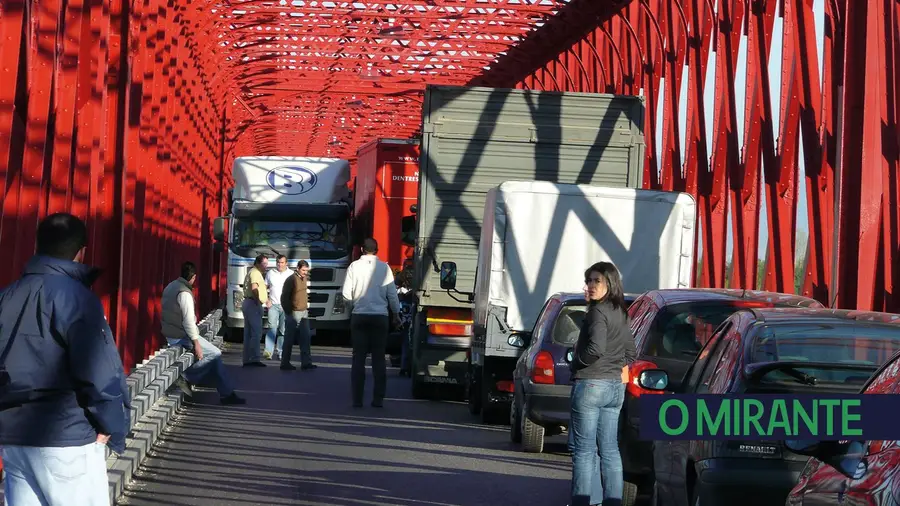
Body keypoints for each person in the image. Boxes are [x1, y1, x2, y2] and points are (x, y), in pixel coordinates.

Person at [0, 213, 131, 505]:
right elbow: (99, 371)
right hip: (66, 435)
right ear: (81, 250)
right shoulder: (78, 299)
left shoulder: (6, 296)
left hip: (13, 436)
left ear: (37, 245)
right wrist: (112, 426)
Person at [568, 261, 636, 506]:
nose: (591, 286)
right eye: (589, 281)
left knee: (584, 452)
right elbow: (631, 352)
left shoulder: (597, 312)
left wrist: (577, 363)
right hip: (615, 387)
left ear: (610, 283)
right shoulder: (621, 311)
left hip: (591, 384)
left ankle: (581, 502)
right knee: (610, 450)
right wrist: (615, 367)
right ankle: (612, 502)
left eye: (597, 281)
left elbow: (595, 348)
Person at [161, 262, 245, 405]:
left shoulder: (170, 286)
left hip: (170, 332)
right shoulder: (184, 293)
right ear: (193, 277)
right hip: (181, 335)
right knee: (215, 354)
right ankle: (185, 375)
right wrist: (196, 343)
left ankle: (226, 393)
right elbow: (188, 322)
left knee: (215, 361)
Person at [341, 238, 401, 408]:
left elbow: (346, 294)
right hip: (380, 317)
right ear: (377, 250)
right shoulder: (384, 268)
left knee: (358, 358)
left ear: (361, 249)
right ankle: (378, 399)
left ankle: (357, 399)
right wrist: (395, 314)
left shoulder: (354, 267)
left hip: (359, 315)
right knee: (378, 359)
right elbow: (392, 295)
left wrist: (355, 306)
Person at [280, 260, 316, 371]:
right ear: (298, 268)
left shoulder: (303, 278)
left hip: (303, 312)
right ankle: (285, 363)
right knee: (289, 338)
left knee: (305, 338)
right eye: (303, 270)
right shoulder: (291, 279)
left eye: (307, 270)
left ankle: (306, 362)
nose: (305, 272)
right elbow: (284, 297)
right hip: (293, 312)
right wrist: (288, 312)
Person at [264, 255, 293, 361]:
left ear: (286, 263)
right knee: (272, 327)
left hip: (285, 306)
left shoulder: (291, 274)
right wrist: (266, 299)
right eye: (278, 262)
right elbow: (264, 287)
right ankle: (268, 352)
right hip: (273, 305)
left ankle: (280, 352)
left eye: (282, 262)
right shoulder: (270, 273)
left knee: (283, 330)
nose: (280, 264)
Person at [242, 254, 268, 367]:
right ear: (258, 263)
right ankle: (254, 358)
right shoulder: (256, 273)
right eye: (264, 264)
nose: (266, 266)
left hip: (249, 303)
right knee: (256, 333)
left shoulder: (253, 272)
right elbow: (254, 288)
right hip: (253, 303)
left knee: (248, 333)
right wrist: (258, 302)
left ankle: (247, 359)